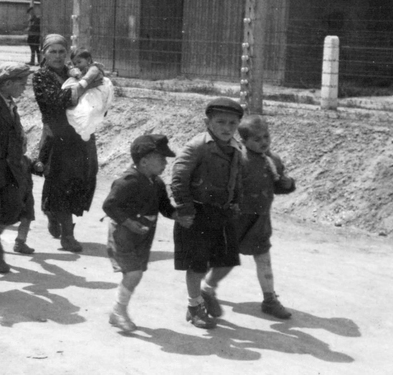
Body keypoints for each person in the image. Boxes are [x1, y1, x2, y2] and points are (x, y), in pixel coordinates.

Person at [170, 97, 244, 329]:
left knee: (228, 258)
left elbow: (236, 177)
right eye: (221, 122)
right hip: (198, 213)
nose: (227, 128)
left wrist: (236, 201)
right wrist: (186, 209)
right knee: (197, 264)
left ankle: (207, 290)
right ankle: (194, 307)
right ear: (207, 122)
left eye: (232, 124)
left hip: (222, 213)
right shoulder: (198, 146)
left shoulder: (236, 146)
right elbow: (178, 178)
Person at [32, 34, 102, 253]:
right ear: (44, 53)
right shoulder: (41, 76)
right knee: (61, 183)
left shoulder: (76, 72)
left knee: (83, 179)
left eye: (62, 52)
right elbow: (56, 101)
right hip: (58, 136)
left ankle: (53, 213)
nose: (58, 56)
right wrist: (83, 87)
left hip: (82, 134)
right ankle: (67, 234)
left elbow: (100, 92)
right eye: (52, 52)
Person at [103, 134, 177, 332]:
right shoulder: (128, 181)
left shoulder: (157, 183)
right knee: (134, 273)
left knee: (134, 273)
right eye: (161, 158)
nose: (165, 163)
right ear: (144, 161)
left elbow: (165, 208)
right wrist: (128, 223)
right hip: (123, 234)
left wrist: (178, 215)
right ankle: (118, 311)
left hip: (143, 235)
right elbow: (110, 205)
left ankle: (117, 312)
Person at [236, 115, 296, 319]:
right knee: (219, 258)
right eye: (257, 139)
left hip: (260, 220)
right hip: (236, 219)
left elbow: (276, 185)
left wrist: (287, 185)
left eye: (266, 136)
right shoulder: (239, 160)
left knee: (263, 259)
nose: (264, 142)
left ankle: (269, 299)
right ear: (244, 142)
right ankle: (203, 292)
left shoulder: (273, 160)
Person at [0, 62, 35, 274]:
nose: (25, 87)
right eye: (22, 83)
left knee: (14, 207)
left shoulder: (8, 101)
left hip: (12, 164)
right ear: (7, 83)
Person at [63, 48, 114, 141]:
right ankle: (82, 128)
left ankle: (86, 130)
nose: (77, 65)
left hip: (96, 89)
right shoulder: (79, 70)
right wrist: (74, 72)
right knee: (80, 109)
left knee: (91, 109)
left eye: (79, 62)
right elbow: (70, 72)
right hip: (88, 90)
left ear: (88, 60)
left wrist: (82, 84)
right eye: (75, 63)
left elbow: (88, 77)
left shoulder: (93, 68)